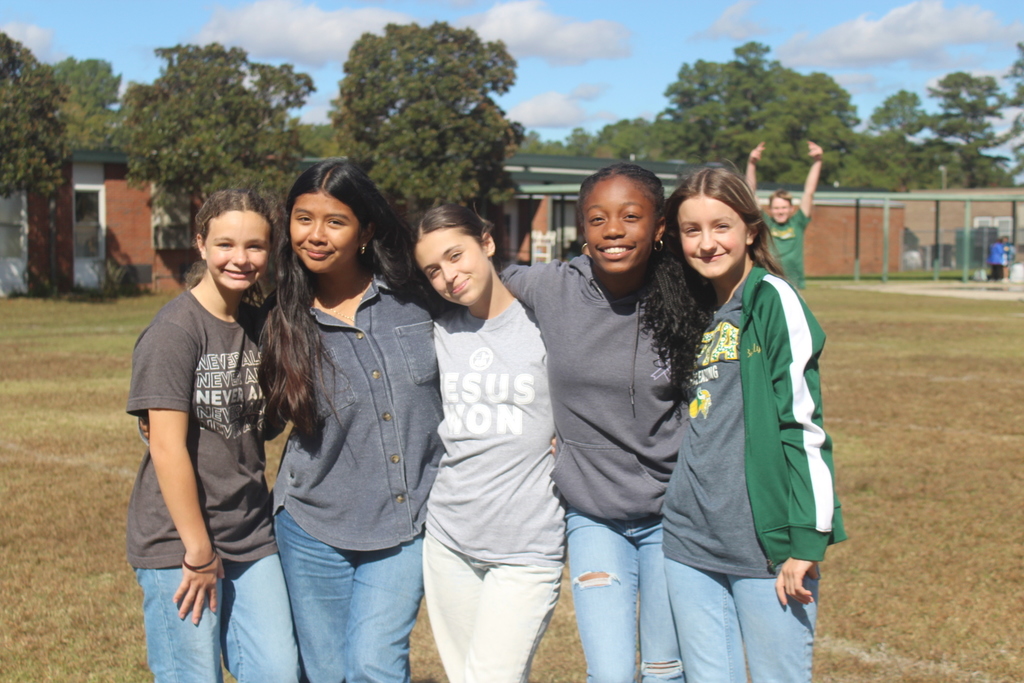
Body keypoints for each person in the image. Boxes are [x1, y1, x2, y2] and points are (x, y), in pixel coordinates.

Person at [503, 163, 706, 683]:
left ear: (659, 226)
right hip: (593, 515)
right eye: (597, 219)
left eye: (630, 216)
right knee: (610, 673)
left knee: (664, 669)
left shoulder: (693, 296)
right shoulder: (552, 287)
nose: (613, 230)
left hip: (673, 515)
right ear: (583, 228)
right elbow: (472, 283)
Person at [650, 166, 846, 682]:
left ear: (751, 230)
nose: (707, 243)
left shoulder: (772, 300)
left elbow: (803, 427)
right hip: (690, 539)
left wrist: (807, 540)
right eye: (692, 230)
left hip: (765, 545)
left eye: (722, 226)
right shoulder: (688, 307)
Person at [259, 159, 444, 683]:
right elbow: (253, 418)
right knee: (326, 672)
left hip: (408, 522)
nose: (315, 235)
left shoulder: (418, 297)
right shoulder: (278, 318)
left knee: (373, 663)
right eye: (303, 219)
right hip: (311, 527)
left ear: (365, 231)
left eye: (335, 221)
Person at [126, 189, 300, 683]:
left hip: (249, 532)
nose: (240, 259)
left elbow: (264, 426)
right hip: (179, 542)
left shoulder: (259, 325)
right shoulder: (175, 331)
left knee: (278, 672)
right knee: (193, 675)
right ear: (200, 243)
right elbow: (165, 447)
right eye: (225, 244)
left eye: (255, 246)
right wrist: (198, 552)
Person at [413, 204, 564, 683]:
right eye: (433, 270)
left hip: (527, 546)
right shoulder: (439, 333)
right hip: (449, 539)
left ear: (487, 242)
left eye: (455, 256)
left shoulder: (546, 325)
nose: (448, 276)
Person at [745, 140, 823, 289]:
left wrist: (817, 161)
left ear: (791, 208)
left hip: (794, 282)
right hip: (769, 279)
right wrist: (751, 163)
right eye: (776, 208)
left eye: (784, 208)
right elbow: (750, 193)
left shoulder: (798, 222)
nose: (780, 211)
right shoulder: (766, 222)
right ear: (770, 209)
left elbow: (809, 192)